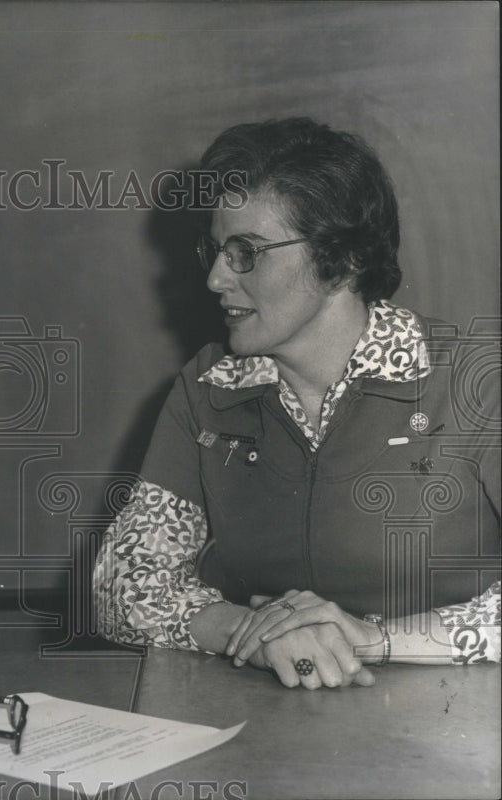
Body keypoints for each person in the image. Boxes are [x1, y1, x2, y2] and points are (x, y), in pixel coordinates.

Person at [94, 118, 500, 688]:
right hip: (262, 733)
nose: (215, 278)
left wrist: (373, 640)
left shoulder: (477, 379)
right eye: (214, 250)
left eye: (246, 252)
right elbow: (120, 585)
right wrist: (254, 632)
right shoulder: (208, 387)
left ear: (342, 259)